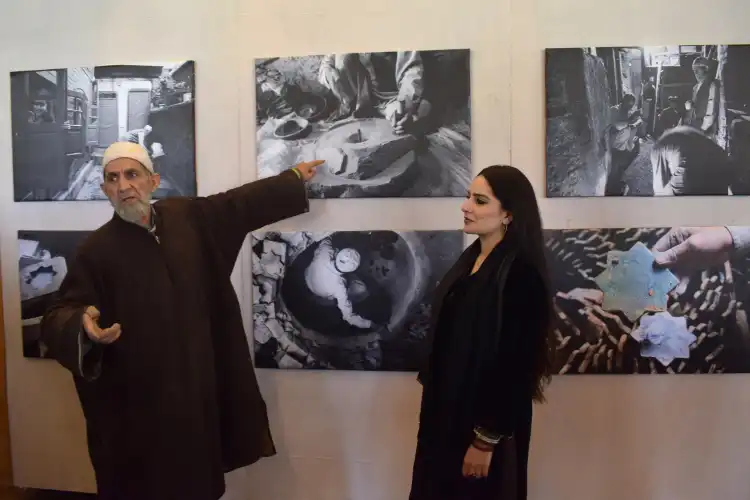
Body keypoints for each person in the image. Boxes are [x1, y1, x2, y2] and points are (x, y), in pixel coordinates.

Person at [40, 141, 323, 500]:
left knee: (199, 475)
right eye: (113, 178)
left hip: (197, 385)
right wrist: (82, 323)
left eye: (132, 175)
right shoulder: (95, 251)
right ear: (104, 189)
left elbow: (239, 204)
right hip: (142, 400)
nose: (124, 186)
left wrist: (293, 178)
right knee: (147, 482)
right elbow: (60, 311)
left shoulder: (188, 217)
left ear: (153, 181)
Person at [409, 165, 555, 500]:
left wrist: (486, 439)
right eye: (467, 198)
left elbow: (519, 363)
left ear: (508, 214)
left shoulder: (521, 273)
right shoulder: (471, 261)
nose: (466, 206)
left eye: (479, 201)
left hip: (483, 424)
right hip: (446, 412)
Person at [318, 51, 430, 134]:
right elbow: (326, 64)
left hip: (392, 100)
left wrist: (406, 102)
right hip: (359, 101)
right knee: (343, 56)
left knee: (403, 126)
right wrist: (329, 74)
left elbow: (411, 71)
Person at [650, 126, 734, 196]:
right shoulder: (684, 130)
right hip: (720, 159)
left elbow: (660, 187)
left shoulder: (657, 148)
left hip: (690, 163)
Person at [604, 93, 642, 196]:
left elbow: (635, 121)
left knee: (627, 159)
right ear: (622, 102)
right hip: (615, 145)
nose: (630, 108)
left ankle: (618, 183)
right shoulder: (614, 110)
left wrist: (637, 120)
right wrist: (630, 122)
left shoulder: (629, 111)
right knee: (614, 169)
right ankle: (612, 191)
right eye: (628, 105)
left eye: (631, 106)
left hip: (624, 143)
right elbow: (616, 125)